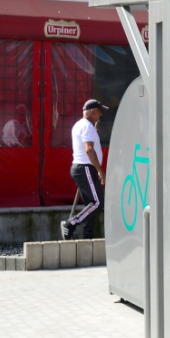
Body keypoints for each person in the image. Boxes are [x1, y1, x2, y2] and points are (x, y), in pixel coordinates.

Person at [63, 99, 108, 240]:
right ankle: (71, 224)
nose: (100, 115)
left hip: (83, 168)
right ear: (92, 111)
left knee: (91, 205)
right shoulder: (87, 126)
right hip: (85, 167)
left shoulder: (80, 125)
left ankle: (88, 235)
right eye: (99, 112)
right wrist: (100, 170)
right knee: (97, 202)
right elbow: (89, 149)